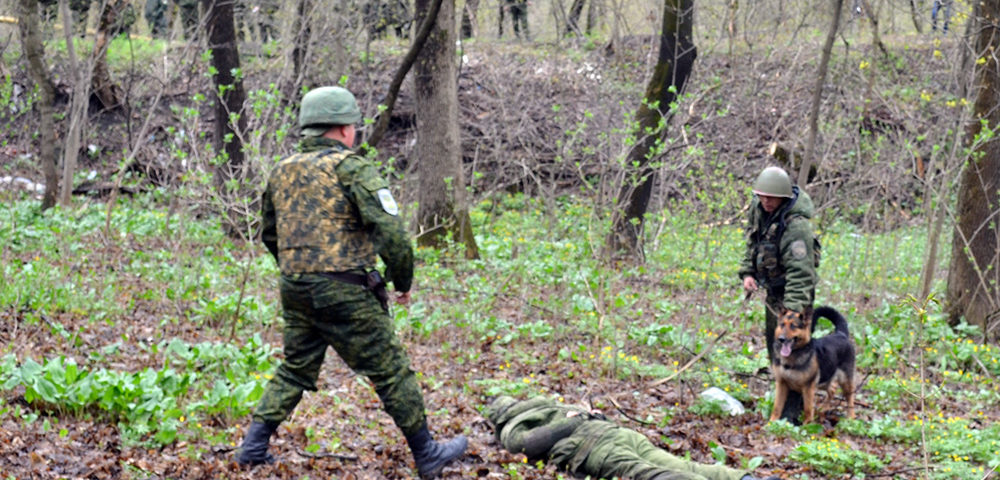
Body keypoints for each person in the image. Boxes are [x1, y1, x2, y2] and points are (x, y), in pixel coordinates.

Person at [235, 86, 467, 479]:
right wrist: (401, 279)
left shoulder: (282, 169)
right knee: (392, 371)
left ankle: (252, 447)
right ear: (343, 129)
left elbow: (269, 234)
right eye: (354, 127)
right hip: (345, 289)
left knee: (296, 367)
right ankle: (427, 454)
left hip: (295, 287)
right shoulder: (351, 167)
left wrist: (300, 271)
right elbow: (391, 233)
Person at [486, 396, 779, 480]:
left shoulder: (528, 415)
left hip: (602, 440)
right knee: (663, 469)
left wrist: (581, 418)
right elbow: (531, 443)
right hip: (602, 440)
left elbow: (530, 443)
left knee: (663, 468)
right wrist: (577, 418)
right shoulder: (529, 417)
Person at [738, 166, 820, 423]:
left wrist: (793, 311)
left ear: (784, 197)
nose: (766, 201)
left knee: (794, 350)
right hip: (773, 291)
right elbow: (752, 242)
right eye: (762, 196)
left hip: (794, 294)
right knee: (775, 348)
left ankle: (792, 414)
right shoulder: (760, 210)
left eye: (771, 198)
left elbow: (802, 273)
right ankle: (780, 405)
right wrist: (748, 273)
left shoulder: (797, 229)